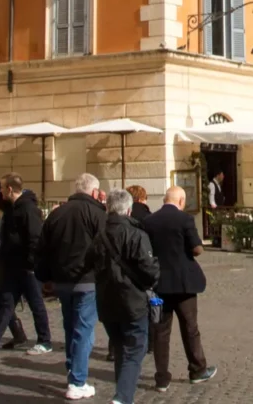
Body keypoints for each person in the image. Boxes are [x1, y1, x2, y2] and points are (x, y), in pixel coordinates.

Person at [35, 173, 107, 401]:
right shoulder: (96, 214)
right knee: (83, 329)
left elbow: (42, 248)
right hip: (86, 280)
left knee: (71, 327)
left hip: (63, 280)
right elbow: (106, 248)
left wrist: (45, 277)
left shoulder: (57, 214)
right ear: (95, 192)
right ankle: (77, 380)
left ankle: (73, 371)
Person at [88, 189, 159, 404]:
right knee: (134, 350)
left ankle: (123, 393)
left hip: (107, 300)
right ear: (128, 210)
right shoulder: (136, 234)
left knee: (120, 348)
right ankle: (122, 397)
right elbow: (148, 270)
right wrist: (156, 270)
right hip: (132, 300)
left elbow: (89, 263)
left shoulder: (99, 234)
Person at [143, 186, 217, 390]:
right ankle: (197, 370)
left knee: (160, 332)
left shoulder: (149, 221)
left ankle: (162, 379)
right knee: (190, 328)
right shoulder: (184, 219)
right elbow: (197, 249)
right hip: (184, 284)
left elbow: (145, 250)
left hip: (159, 284)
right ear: (181, 201)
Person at [0, 173, 52, 355]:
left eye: (2, 189)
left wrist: (31, 263)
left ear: (10, 189)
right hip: (12, 265)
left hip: (27, 267)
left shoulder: (28, 209)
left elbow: (35, 238)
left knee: (36, 304)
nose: (0, 192)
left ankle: (45, 341)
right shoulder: (12, 208)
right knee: (6, 303)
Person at [205, 172, 225, 248]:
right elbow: (211, 198)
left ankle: (218, 241)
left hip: (219, 209)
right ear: (217, 175)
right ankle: (215, 241)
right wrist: (215, 208)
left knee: (218, 225)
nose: (223, 176)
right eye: (222, 175)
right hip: (215, 210)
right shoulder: (212, 185)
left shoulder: (218, 184)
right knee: (215, 226)